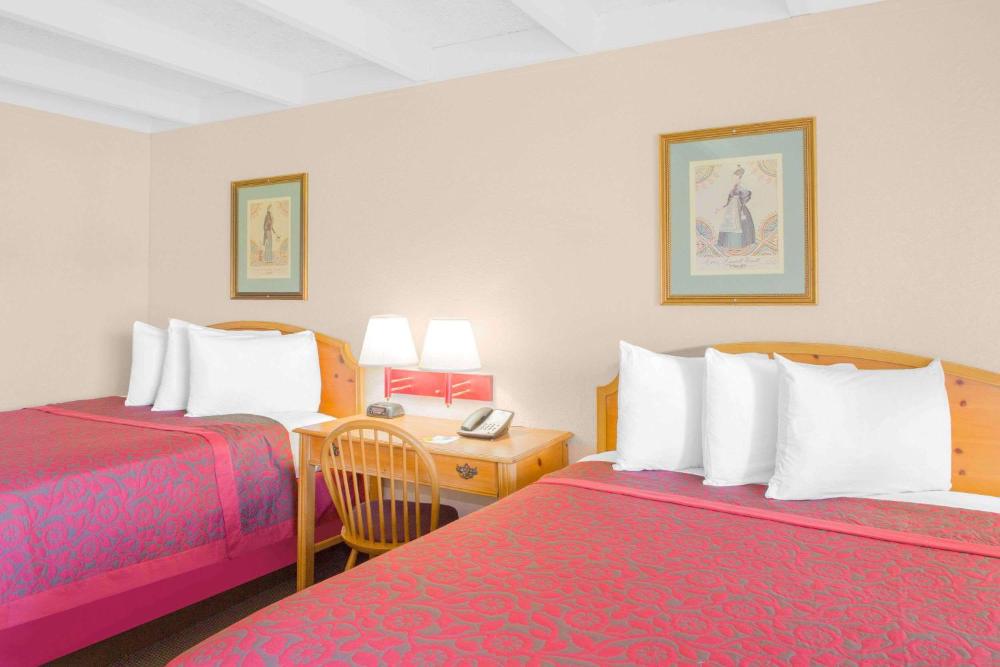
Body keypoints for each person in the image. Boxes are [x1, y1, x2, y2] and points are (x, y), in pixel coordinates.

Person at [715, 165, 755, 249]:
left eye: (735, 178)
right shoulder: (733, 188)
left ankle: (740, 243)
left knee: (742, 225)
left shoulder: (741, 187)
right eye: (733, 178)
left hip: (739, 209)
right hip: (731, 210)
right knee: (729, 224)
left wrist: (741, 205)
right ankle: (728, 244)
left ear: (739, 178)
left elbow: (746, 196)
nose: (733, 179)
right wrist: (720, 208)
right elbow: (728, 201)